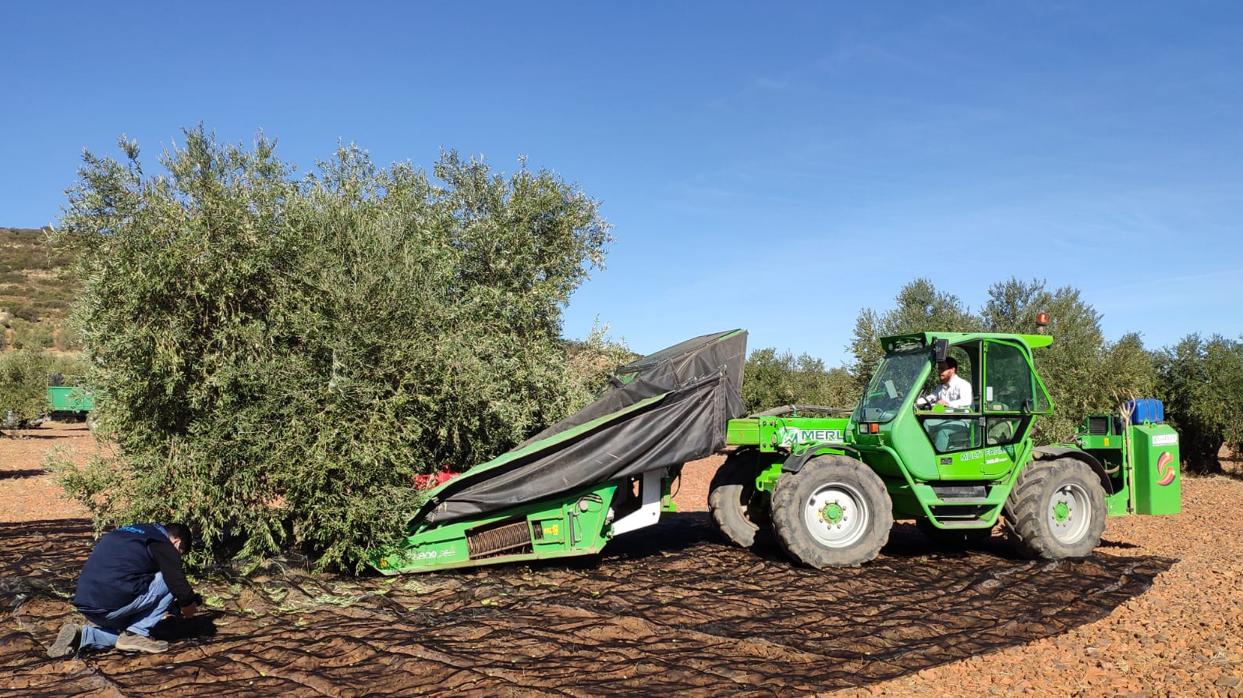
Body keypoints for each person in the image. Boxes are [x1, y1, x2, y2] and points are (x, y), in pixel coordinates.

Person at [48, 523, 203, 657]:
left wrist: (170, 607)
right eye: (180, 553)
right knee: (167, 579)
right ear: (177, 542)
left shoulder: (130, 533)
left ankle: (83, 636)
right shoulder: (161, 543)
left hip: (88, 606)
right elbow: (177, 583)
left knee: (124, 634)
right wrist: (188, 607)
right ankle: (136, 632)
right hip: (111, 605)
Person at [915, 357, 974, 451]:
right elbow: (930, 398)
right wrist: (914, 402)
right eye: (939, 368)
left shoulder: (963, 385)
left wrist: (947, 404)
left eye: (943, 369)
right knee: (923, 423)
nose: (939, 371)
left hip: (962, 421)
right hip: (945, 419)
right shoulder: (941, 387)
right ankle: (921, 451)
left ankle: (934, 460)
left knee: (943, 430)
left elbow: (966, 402)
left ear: (952, 370)